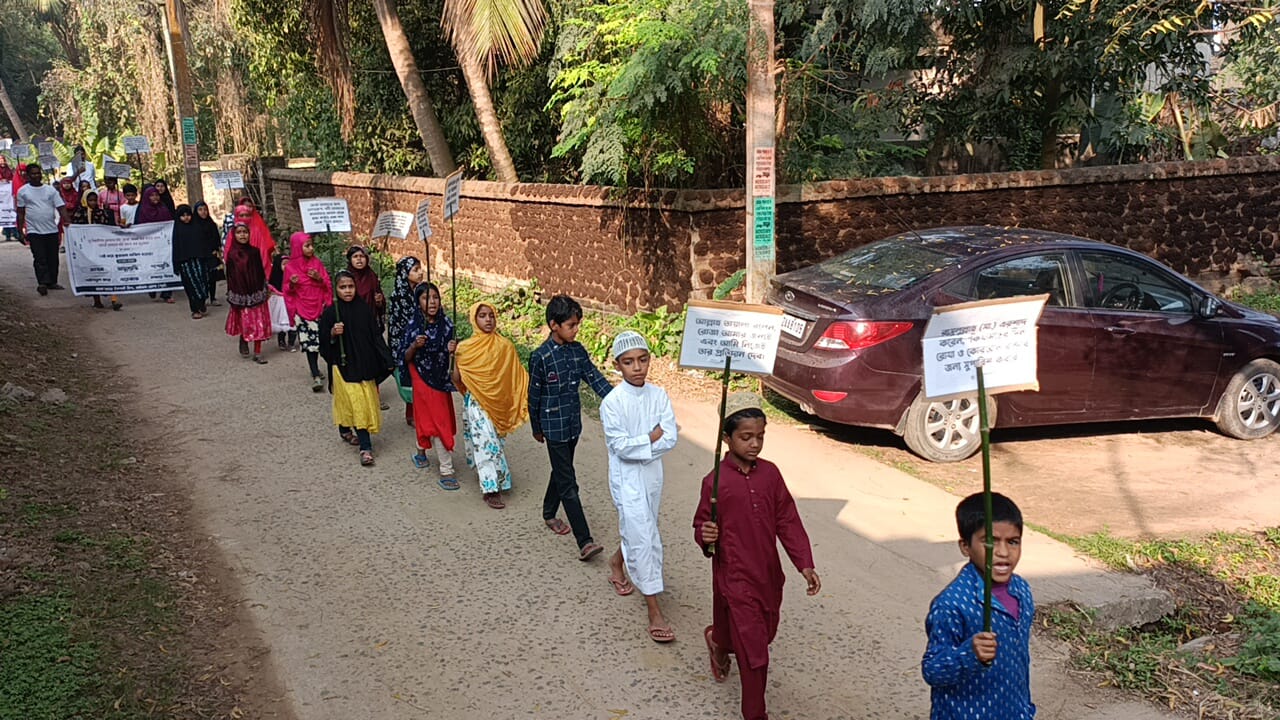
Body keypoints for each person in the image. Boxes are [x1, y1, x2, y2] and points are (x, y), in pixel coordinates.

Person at [694, 392, 820, 720]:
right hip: (734, 577)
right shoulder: (714, 482)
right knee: (755, 653)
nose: (754, 444)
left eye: (760, 437)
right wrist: (706, 536)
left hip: (768, 575)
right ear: (726, 438)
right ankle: (755, 713)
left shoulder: (771, 475)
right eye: (746, 437)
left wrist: (804, 563)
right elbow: (701, 525)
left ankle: (718, 642)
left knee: (759, 630)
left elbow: (787, 520)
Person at [923, 492, 1035, 720]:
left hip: (1015, 711)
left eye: (1013, 542)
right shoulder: (952, 604)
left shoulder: (1022, 590)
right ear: (965, 546)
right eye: (990, 541)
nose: (1003, 553)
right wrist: (968, 654)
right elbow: (932, 670)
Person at [600, 331, 678, 642]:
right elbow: (620, 447)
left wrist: (644, 444)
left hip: (652, 476)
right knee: (644, 538)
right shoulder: (612, 402)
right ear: (617, 365)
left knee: (644, 528)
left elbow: (670, 437)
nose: (637, 367)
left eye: (642, 360)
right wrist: (649, 437)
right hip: (626, 478)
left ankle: (617, 561)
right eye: (629, 362)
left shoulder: (659, 396)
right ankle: (654, 610)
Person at [527, 294, 612, 559]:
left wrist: (621, 400)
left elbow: (595, 379)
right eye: (571, 325)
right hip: (552, 428)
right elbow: (533, 396)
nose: (576, 330)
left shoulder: (578, 352)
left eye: (577, 325)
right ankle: (585, 541)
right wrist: (536, 427)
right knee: (568, 483)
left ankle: (548, 512)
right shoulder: (540, 357)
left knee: (561, 470)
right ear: (554, 325)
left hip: (573, 425)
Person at [451, 302, 529, 509]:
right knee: (486, 443)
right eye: (482, 315)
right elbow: (456, 378)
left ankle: (496, 477)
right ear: (473, 319)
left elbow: (515, 376)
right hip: (477, 403)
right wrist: (453, 356)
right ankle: (490, 488)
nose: (488, 320)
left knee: (494, 443)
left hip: (499, 405)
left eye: (491, 315)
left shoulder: (505, 346)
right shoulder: (465, 349)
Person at [319, 271, 395, 467]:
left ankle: (344, 429)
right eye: (342, 287)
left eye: (350, 287)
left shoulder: (364, 310)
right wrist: (332, 334)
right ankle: (365, 447)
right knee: (356, 403)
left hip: (363, 364)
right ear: (336, 290)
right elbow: (323, 345)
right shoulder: (331, 313)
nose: (347, 291)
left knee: (355, 402)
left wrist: (387, 358)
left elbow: (375, 336)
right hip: (342, 366)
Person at [404, 282, 459, 488]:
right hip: (420, 374)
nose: (432, 302)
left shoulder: (447, 324)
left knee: (427, 415)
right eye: (426, 298)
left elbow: (454, 356)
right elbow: (405, 356)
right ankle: (446, 469)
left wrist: (453, 349)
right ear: (418, 302)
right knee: (438, 420)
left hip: (440, 378)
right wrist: (415, 345)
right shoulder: (414, 325)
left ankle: (420, 449)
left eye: (435, 297)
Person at [283, 232, 332, 391]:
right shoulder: (290, 267)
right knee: (310, 344)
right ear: (298, 247)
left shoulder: (317, 263)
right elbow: (287, 291)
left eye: (312, 245)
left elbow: (328, 284)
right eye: (307, 246)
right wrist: (292, 284)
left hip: (319, 308)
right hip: (302, 311)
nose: (311, 249)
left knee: (324, 341)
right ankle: (315, 374)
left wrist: (319, 278)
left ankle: (330, 372)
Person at [223, 222, 272, 364]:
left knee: (259, 323)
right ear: (234, 235)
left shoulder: (255, 252)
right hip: (241, 295)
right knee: (246, 322)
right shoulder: (232, 255)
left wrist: (264, 288)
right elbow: (231, 277)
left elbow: (260, 272)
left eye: (245, 232)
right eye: (239, 232)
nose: (242, 235)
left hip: (256, 293)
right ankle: (244, 339)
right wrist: (236, 294)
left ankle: (257, 352)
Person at [15, 164, 68, 295]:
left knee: (53, 257)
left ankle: (52, 282)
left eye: (38, 173)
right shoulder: (23, 191)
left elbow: (61, 207)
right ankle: (42, 282)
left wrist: (68, 221)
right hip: (34, 231)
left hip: (51, 230)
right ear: (28, 176)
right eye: (33, 174)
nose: (36, 176)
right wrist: (20, 231)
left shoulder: (50, 190)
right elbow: (20, 212)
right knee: (39, 257)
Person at [70, 190, 122, 310]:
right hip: (87, 250)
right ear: (85, 200)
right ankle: (97, 300)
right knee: (93, 274)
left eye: (95, 200)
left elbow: (108, 227)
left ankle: (114, 300)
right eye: (90, 200)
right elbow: (76, 229)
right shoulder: (79, 214)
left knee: (109, 271)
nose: (93, 203)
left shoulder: (101, 212)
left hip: (102, 247)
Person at [388, 256, 425, 425]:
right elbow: (399, 325)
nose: (420, 272)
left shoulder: (420, 292)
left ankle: (416, 413)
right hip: (404, 344)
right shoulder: (398, 296)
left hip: (419, 341)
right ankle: (412, 415)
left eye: (420, 269)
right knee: (410, 378)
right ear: (405, 273)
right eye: (415, 270)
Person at [172, 204, 217, 319]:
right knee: (191, 287)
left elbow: (204, 243)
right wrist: (176, 264)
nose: (186, 218)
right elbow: (176, 248)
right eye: (183, 216)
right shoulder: (178, 230)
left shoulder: (196, 227)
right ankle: (195, 309)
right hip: (186, 263)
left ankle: (201, 303)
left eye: (188, 215)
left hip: (200, 261)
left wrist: (209, 257)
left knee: (203, 284)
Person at [136, 186, 176, 303]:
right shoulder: (142, 210)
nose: (155, 197)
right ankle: (152, 287)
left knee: (166, 265)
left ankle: (166, 293)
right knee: (151, 266)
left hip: (163, 244)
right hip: (148, 245)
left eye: (157, 195)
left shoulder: (163, 208)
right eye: (152, 195)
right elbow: (137, 226)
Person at [345, 245, 385, 330]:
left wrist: (379, 302)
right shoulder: (346, 278)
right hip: (352, 322)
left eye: (362, 256)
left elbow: (380, 303)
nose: (359, 259)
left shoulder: (372, 276)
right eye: (355, 256)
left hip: (370, 321)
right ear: (350, 260)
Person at [193, 201, 223, 306]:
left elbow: (216, 238)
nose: (203, 212)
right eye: (200, 210)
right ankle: (204, 296)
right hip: (199, 254)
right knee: (202, 277)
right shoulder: (193, 225)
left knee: (212, 277)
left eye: (205, 209)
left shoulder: (211, 224)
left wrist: (216, 249)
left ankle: (213, 297)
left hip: (211, 254)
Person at [268, 249, 297, 351]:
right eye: (284, 264)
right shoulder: (275, 278)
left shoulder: (293, 276)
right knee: (281, 323)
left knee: (293, 323)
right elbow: (270, 287)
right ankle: (281, 341)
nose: (287, 266)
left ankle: (291, 343)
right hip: (279, 303)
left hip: (292, 302)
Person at [0, 155, 17, 242]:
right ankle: (7, 234)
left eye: (2, 159)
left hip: (9, 195)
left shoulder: (9, 169)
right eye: (0, 160)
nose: (1, 161)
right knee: (3, 214)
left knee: (11, 213)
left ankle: (15, 233)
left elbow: (13, 177)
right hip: (1, 196)